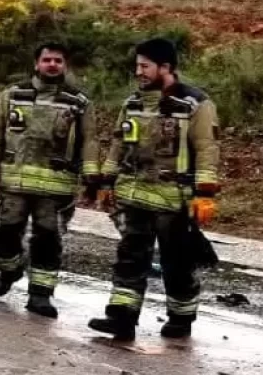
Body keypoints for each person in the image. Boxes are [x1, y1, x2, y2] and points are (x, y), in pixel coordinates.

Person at [87, 37, 220, 342]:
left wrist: (205, 193)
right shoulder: (132, 103)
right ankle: (121, 318)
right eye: (137, 66)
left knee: (177, 262)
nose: (139, 72)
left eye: (145, 66)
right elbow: (118, 144)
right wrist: (106, 181)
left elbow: (207, 149)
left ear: (166, 67)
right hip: (133, 195)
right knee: (130, 256)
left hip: (173, 200)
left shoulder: (196, 104)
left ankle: (182, 316)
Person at [0, 41, 99, 318]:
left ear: (65, 65)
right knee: (4, 231)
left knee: (48, 238)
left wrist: (92, 177)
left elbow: (90, 140)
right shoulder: (13, 94)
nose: (52, 65)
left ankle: (40, 295)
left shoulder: (79, 102)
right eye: (47, 60)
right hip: (13, 181)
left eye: (58, 60)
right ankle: (10, 271)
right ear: (37, 63)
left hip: (56, 186)